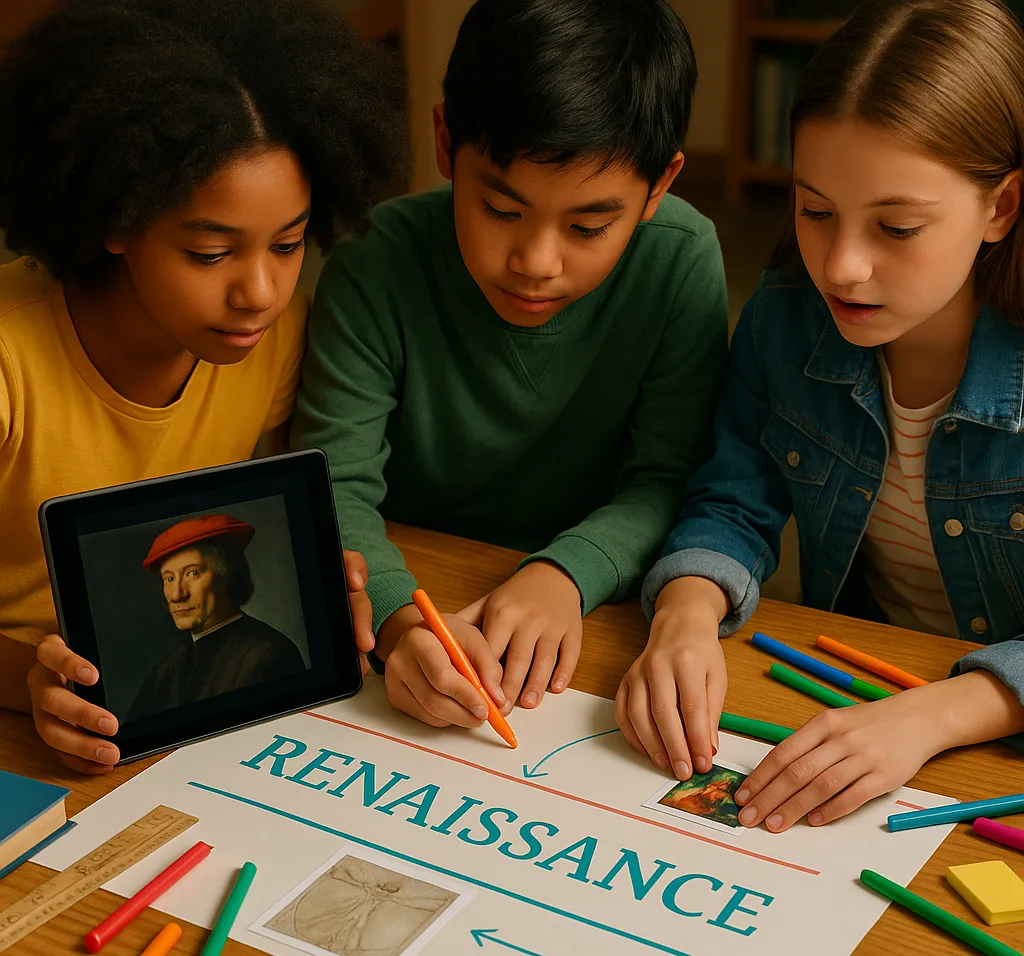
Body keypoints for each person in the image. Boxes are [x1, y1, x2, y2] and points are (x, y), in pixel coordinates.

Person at [619, 0, 1024, 831]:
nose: (841, 265)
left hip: (976, 743)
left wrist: (939, 714)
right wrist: (686, 609)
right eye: (814, 210)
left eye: (897, 226)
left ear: (1002, 207)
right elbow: (736, 497)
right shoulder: (783, 320)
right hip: (862, 691)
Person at [293, 0, 728, 732]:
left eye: (589, 226)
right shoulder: (376, 264)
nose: (536, 263)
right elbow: (330, 485)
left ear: (659, 186)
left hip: (587, 615)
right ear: (444, 140)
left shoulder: (680, 261)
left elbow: (669, 479)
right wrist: (400, 620)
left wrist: (566, 572)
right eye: (499, 209)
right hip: (421, 592)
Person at [0, 0, 406, 772]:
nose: (261, 292)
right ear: (116, 219)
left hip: (174, 717)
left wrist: (333, 593)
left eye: (289, 244)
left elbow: (290, 514)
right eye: (211, 253)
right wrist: (28, 682)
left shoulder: (269, 337)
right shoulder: (9, 365)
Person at [127, 515, 307, 721]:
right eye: (169, 578)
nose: (177, 594)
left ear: (229, 576)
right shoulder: (165, 671)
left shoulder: (268, 655)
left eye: (192, 573)